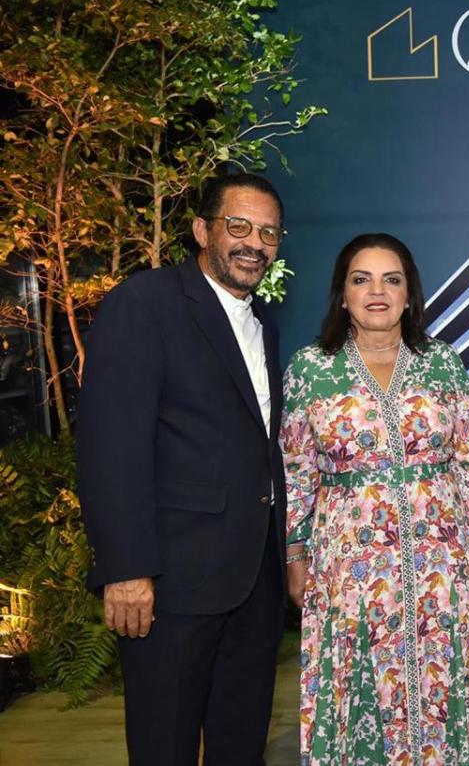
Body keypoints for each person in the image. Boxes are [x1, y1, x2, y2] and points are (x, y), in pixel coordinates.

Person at [77, 173, 288, 765]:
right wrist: (126, 568)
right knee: (164, 746)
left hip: (253, 581)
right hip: (171, 583)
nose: (254, 243)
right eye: (239, 226)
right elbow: (111, 445)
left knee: (240, 746)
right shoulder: (146, 303)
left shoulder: (263, 322)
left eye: (269, 233)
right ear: (201, 230)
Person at [281, 233, 469, 764]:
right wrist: (294, 552)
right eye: (361, 279)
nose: (377, 292)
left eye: (392, 279)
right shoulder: (310, 369)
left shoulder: (442, 363)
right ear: (342, 295)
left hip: (442, 565)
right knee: (357, 683)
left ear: (409, 294)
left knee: (447, 679)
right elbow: (296, 471)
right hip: (348, 566)